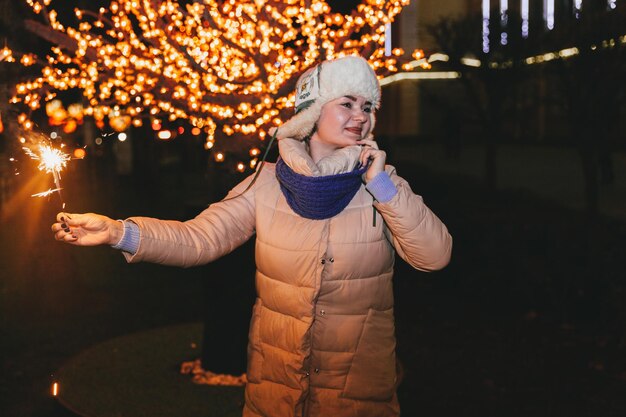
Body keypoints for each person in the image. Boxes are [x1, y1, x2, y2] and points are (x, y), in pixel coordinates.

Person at [51, 55, 452, 417]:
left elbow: (434, 257)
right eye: (346, 103)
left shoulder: (382, 185)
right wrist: (118, 232)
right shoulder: (266, 183)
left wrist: (381, 185)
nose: (360, 115)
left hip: (358, 397)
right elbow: (199, 238)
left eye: (367, 106)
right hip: (276, 394)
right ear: (311, 112)